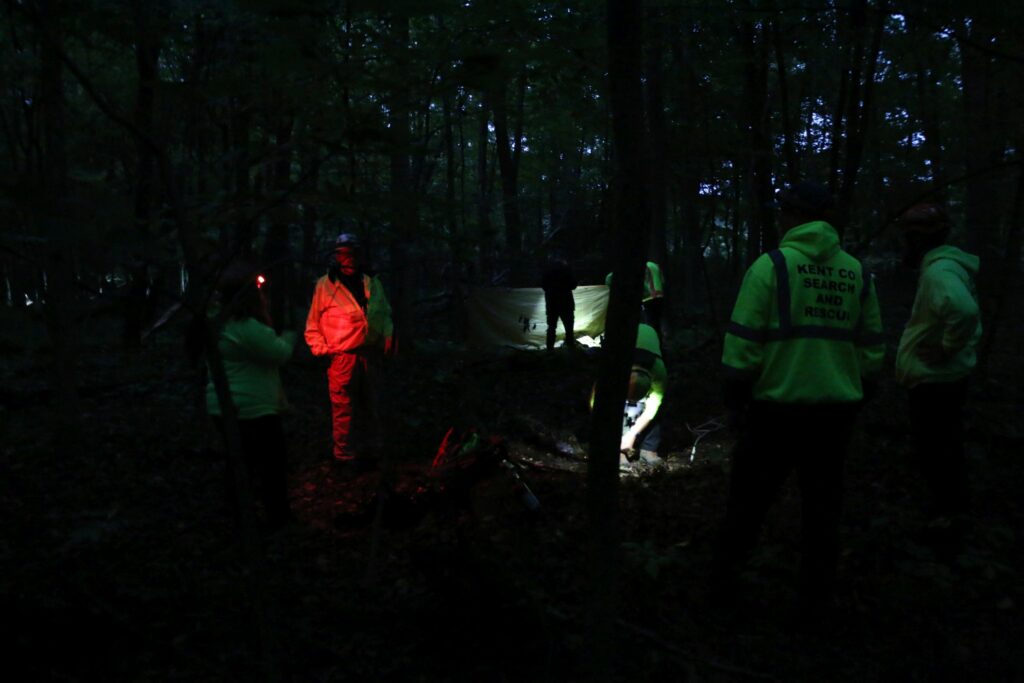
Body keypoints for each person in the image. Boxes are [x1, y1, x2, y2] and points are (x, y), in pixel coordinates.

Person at [712, 181, 885, 611]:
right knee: (823, 511)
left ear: (790, 216)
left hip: (775, 411)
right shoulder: (857, 272)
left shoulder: (771, 267)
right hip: (835, 414)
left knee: (748, 505)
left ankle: (722, 593)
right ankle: (815, 603)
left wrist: (736, 398)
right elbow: (872, 347)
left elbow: (742, 346)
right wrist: (856, 390)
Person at [894, 203, 981, 546]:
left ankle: (948, 518)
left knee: (937, 449)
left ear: (918, 240)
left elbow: (963, 309)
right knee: (945, 445)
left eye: (908, 237)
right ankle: (950, 509)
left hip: (937, 380)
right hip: (944, 377)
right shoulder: (946, 267)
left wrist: (945, 348)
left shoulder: (939, 272)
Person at [202, 260, 297, 529]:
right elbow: (278, 353)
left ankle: (239, 516)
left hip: (227, 405)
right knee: (271, 465)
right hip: (250, 409)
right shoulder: (245, 327)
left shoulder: (219, 322)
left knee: (239, 462)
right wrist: (290, 336)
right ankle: (276, 518)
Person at [305, 232, 393, 468]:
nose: (348, 258)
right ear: (336, 256)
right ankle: (344, 456)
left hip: (370, 354)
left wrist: (388, 335)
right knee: (343, 408)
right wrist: (322, 349)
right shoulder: (325, 285)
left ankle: (371, 451)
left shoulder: (371, 281)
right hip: (342, 355)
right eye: (343, 254)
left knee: (371, 404)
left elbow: (384, 312)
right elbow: (313, 323)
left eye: (352, 253)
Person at [619, 322, 667, 472]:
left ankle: (649, 448)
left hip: (649, 338)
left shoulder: (659, 373)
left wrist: (632, 434)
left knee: (658, 408)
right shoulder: (614, 368)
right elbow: (598, 402)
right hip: (624, 341)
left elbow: (652, 409)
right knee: (622, 409)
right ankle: (618, 451)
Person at [605, 261, 665, 336]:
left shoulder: (640, 267)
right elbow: (662, 281)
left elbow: (642, 285)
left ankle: (649, 342)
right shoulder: (655, 265)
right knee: (657, 322)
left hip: (648, 298)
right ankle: (659, 343)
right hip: (660, 297)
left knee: (649, 324)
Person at [541, 255, 578, 350]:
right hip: (566, 302)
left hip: (551, 302)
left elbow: (543, 285)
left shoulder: (547, 271)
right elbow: (574, 285)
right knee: (569, 327)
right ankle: (570, 347)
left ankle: (550, 349)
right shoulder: (567, 270)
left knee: (551, 327)